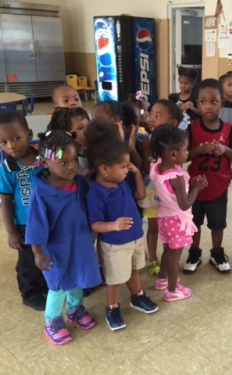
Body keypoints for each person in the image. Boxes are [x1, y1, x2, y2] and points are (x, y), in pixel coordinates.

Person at [26, 131, 101, 345]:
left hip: (80, 243)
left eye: (74, 160)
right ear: (45, 163)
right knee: (58, 285)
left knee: (78, 276)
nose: (71, 166)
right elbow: (35, 224)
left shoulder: (79, 182)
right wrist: (37, 251)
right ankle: (53, 321)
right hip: (55, 248)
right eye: (63, 161)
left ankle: (75, 309)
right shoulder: (41, 193)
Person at [85, 120, 158, 331]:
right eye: (124, 167)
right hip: (115, 244)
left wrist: (135, 173)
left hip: (135, 237)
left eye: (128, 166)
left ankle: (137, 296)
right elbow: (95, 224)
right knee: (115, 279)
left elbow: (142, 196)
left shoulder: (123, 180)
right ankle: (112, 307)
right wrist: (114, 226)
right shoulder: (96, 193)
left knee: (134, 271)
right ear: (105, 169)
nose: (127, 169)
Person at [0, 111, 48, 311]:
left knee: (46, 254)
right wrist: (11, 232)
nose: (11, 146)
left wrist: (59, 141)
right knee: (27, 263)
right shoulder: (6, 169)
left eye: (16, 138)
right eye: (3, 142)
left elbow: (62, 155)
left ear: (29, 133)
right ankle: (30, 292)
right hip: (25, 225)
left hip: (48, 219)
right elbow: (5, 202)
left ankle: (45, 284)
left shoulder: (43, 157)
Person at [184, 79, 232, 274]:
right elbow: (184, 156)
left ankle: (217, 252)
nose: (208, 106)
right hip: (196, 188)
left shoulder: (228, 130)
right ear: (197, 104)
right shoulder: (192, 130)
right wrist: (199, 150)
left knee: (218, 223)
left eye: (214, 101)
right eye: (203, 101)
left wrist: (224, 149)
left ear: (222, 104)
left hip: (218, 187)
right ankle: (194, 252)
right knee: (195, 222)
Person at [150, 125, 208, 300]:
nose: (188, 152)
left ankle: (162, 279)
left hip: (164, 217)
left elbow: (171, 193)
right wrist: (197, 188)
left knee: (168, 250)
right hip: (176, 220)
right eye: (185, 149)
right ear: (173, 154)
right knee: (175, 256)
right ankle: (173, 290)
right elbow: (185, 204)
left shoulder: (157, 167)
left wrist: (191, 184)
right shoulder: (177, 178)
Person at [140, 100, 184, 276]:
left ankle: (169, 260)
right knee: (153, 227)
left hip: (170, 194)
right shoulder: (146, 141)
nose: (151, 119)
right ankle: (153, 258)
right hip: (153, 192)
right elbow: (145, 167)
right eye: (151, 115)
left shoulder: (179, 142)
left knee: (169, 227)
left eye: (158, 117)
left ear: (172, 123)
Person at [91, 100, 143, 171]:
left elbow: (137, 168)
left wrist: (131, 148)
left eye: (98, 119)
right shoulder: (98, 142)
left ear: (116, 119)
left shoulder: (129, 139)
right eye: (92, 119)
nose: (93, 123)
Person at [47, 107, 90, 174]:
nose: (87, 131)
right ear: (65, 134)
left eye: (88, 126)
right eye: (80, 128)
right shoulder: (61, 158)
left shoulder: (90, 149)